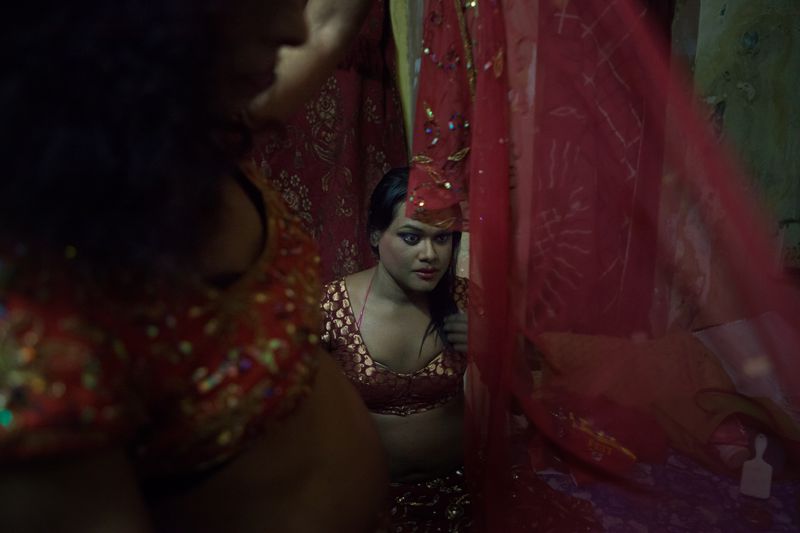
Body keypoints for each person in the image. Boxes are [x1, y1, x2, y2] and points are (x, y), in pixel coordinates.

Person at [0, 1, 387, 531]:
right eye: (254, 7)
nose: (291, 29)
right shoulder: (34, 319)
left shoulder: (180, 134)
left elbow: (325, 30)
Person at [320, 168, 471, 531]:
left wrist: (495, 350)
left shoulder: (468, 301)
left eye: (442, 239)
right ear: (375, 235)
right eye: (411, 236)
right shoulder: (330, 308)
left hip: (463, 490)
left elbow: (521, 394)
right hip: (370, 499)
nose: (430, 254)